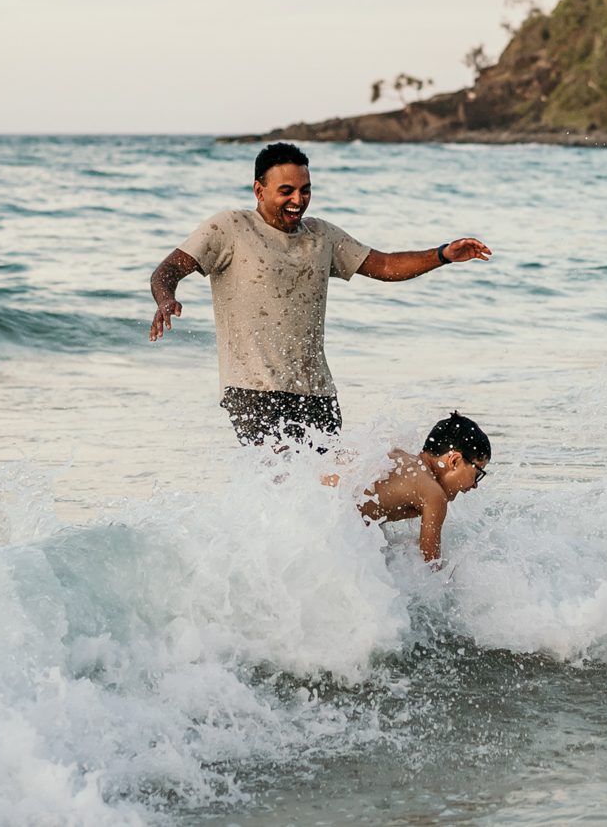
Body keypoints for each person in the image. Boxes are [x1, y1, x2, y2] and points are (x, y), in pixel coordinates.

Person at [147, 142, 491, 445]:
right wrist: (166, 298)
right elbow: (167, 270)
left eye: (305, 190)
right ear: (259, 190)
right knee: (284, 476)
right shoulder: (230, 227)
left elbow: (385, 266)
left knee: (332, 493)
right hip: (252, 389)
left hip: (317, 392)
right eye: (286, 191)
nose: (298, 200)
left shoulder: (321, 235)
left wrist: (444, 254)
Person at [325, 413, 492, 564]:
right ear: (454, 460)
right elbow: (430, 570)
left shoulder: (402, 459)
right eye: (477, 473)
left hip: (320, 504)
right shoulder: (434, 494)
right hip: (329, 526)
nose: (475, 485)